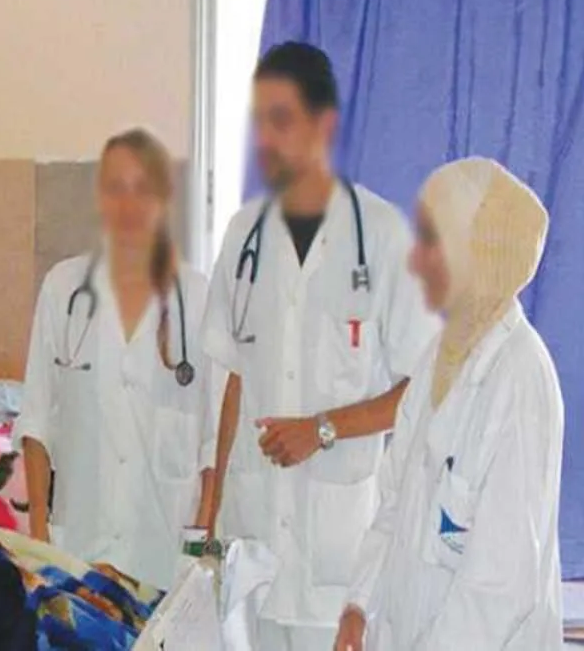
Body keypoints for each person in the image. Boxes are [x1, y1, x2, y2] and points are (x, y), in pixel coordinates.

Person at [200, 42, 440, 650]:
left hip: (338, 563)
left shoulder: (381, 236)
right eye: (260, 121)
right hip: (252, 546)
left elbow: (424, 387)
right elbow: (234, 380)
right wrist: (208, 520)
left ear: (324, 124)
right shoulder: (244, 236)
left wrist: (323, 429)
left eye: (281, 119)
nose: (267, 139)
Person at [334, 158, 562, 650]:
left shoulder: (520, 377)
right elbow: (395, 502)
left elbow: (499, 587)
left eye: (430, 241)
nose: (415, 262)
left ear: (475, 251)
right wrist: (358, 606)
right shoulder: (440, 358)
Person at [16, 128, 219, 591]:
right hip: (77, 551)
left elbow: (213, 442)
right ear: (99, 198)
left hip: (164, 557)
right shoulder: (64, 289)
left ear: (164, 198)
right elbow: (36, 421)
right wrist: (40, 537)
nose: (128, 205)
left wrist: (198, 550)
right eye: (115, 188)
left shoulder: (197, 298)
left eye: (142, 189)